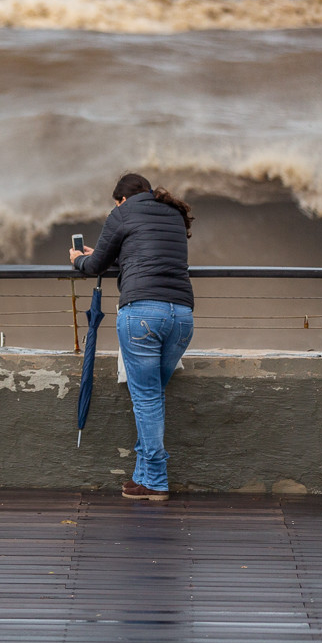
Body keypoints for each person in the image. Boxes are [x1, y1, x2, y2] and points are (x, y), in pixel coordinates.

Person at [69, 173, 195, 501]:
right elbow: (145, 253)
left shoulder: (121, 214)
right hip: (181, 317)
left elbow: (96, 264)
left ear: (122, 199)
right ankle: (143, 476)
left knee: (147, 398)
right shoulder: (173, 215)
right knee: (152, 397)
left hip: (142, 315)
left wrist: (78, 259)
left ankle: (156, 480)